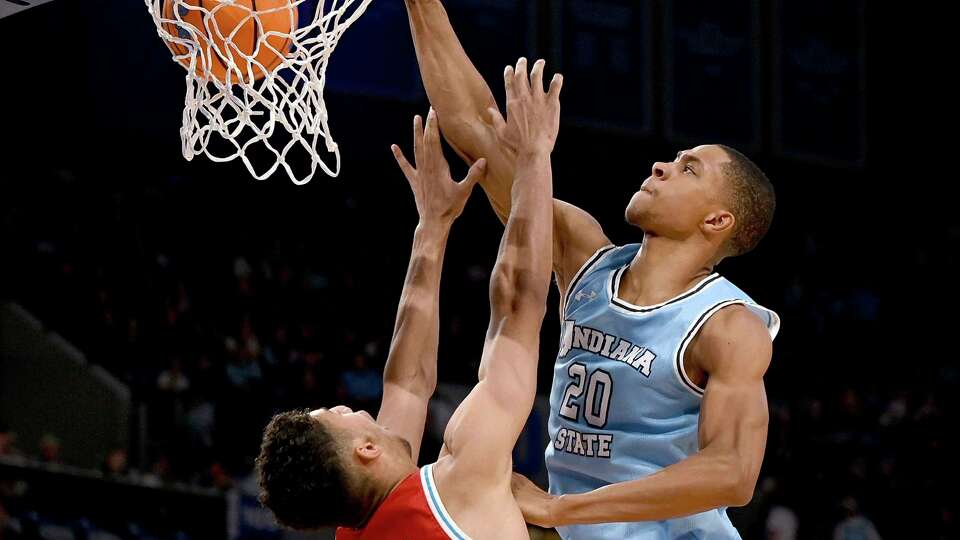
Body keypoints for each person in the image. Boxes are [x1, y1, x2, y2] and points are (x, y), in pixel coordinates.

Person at [403, 1, 780, 537]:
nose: (661, 166)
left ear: (717, 220)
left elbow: (733, 473)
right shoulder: (583, 255)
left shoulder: (728, 326)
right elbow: (475, 132)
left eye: (688, 168)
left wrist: (560, 510)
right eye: (674, 158)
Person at [256, 60, 563, 538]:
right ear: (365, 450)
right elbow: (518, 307)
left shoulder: (359, 526)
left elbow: (407, 383)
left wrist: (433, 230)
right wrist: (533, 158)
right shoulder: (461, 481)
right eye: (335, 415)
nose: (345, 407)